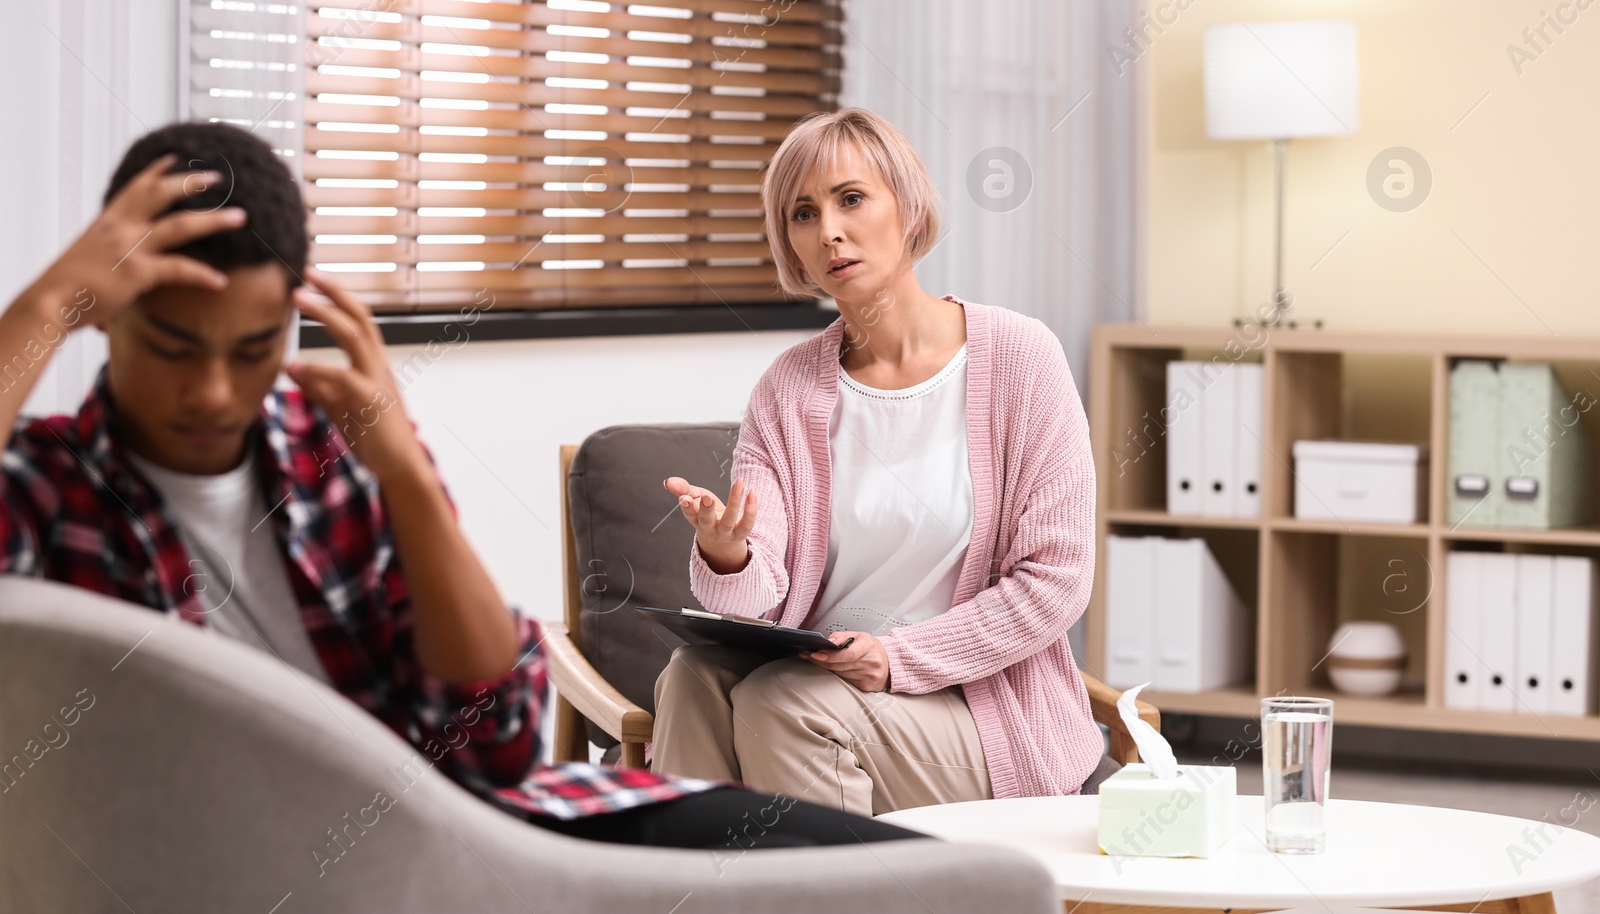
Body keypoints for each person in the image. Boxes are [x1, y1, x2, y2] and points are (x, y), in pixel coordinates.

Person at [0, 121, 923, 851]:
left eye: (251, 351)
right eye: (170, 347)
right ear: (104, 312)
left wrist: (401, 468)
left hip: (466, 821)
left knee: (885, 870)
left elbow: (501, 731)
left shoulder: (326, 449)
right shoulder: (46, 481)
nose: (211, 391)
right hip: (282, 856)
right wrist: (41, 309)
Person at [656, 108, 1103, 817]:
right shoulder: (787, 387)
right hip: (826, 684)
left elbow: (1056, 581)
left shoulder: (1022, 358)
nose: (829, 229)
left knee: (783, 703)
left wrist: (899, 658)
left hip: (980, 711)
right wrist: (728, 554)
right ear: (791, 244)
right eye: (804, 213)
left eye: (851, 198)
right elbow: (756, 596)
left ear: (908, 204)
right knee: (690, 677)